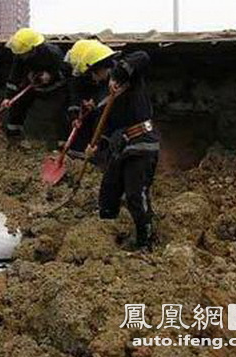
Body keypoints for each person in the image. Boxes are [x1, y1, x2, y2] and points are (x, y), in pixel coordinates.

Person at [81, 42, 160, 252]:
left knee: (136, 194)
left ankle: (145, 242)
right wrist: (94, 147)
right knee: (108, 192)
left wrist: (117, 75)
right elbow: (105, 127)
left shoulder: (128, 77)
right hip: (121, 147)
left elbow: (143, 56)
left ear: (101, 68)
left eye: (93, 73)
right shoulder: (102, 95)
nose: (93, 79)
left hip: (141, 144)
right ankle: (107, 241)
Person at [3, 28, 69, 138]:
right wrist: (8, 97)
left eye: (24, 54)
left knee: (61, 111)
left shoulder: (53, 53)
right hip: (33, 86)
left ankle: (62, 143)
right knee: (17, 104)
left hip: (55, 87)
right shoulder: (20, 54)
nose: (22, 57)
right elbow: (14, 77)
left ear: (33, 49)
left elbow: (66, 73)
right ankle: (13, 136)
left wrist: (51, 76)